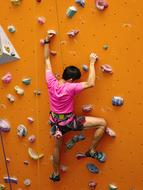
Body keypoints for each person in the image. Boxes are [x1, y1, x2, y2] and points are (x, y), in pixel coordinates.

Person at [44, 30, 107, 182]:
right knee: (102, 123)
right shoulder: (70, 88)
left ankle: (55, 173)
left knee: (57, 147)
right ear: (71, 79)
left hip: (56, 124)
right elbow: (91, 83)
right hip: (69, 122)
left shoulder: (51, 81)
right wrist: (92, 62)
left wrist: (46, 41)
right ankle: (91, 150)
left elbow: (46, 60)